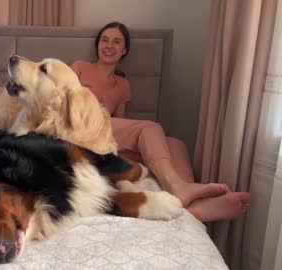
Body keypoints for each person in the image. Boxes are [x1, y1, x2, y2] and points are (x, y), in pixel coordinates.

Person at [70, 22, 250, 222]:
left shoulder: (123, 85)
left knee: (174, 144)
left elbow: (121, 124)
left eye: (116, 42)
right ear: (97, 46)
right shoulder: (79, 67)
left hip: (106, 138)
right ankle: (179, 189)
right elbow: (61, 102)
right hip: (79, 130)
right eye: (104, 40)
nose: (109, 45)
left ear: (124, 50)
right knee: (150, 127)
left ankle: (188, 206)